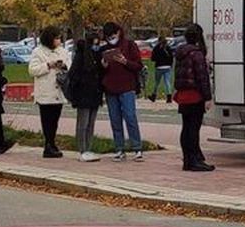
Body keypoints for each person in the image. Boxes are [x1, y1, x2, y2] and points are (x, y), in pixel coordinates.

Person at [99, 21, 146, 160]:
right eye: (108, 36)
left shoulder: (130, 45)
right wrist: (104, 65)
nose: (111, 38)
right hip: (110, 88)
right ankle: (119, 148)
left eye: (113, 35)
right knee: (115, 119)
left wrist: (125, 61)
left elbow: (138, 65)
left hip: (127, 87)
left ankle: (137, 148)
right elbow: (101, 71)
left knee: (130, 116)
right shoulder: (105, 49)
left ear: (119, 32)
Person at [173, 22, 214, 172]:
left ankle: (187, 159)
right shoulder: (197, 54)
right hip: (195, 95)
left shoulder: (180, 53)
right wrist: (207, 97)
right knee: (194, 129)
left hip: (183, 94)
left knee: (186, 128)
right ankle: (195, 160)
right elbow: (202, 78)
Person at [27, 26, 72, 159]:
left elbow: (70, 65)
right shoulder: (38, 52)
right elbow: (32, 70)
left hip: (58, 91)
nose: (59, 40)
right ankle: (48, 144)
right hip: (45, 91)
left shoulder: (63, 51)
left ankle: (52, 143)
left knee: (55, 119)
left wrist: (63, 66)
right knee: (47, 120)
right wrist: (48, 65)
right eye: (56, 38)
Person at [65, 30, 103, 162]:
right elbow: (73, 74)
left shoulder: (97, 56)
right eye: (95, 44)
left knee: (91, 123)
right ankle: (82, 149)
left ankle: (89, 147)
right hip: (83, 94)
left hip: (95, 93)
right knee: (83, 123)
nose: (96, 47)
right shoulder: (81, 56)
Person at [149, 34, 174, 102]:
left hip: (159, 67)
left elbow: (153, 58)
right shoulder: (168, 48)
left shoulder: (156, 48)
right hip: (168, 67)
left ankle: (153, 96)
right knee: (167, 82)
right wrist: (170, 64)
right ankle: (169, 97)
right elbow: (172, 57)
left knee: (157, 82)